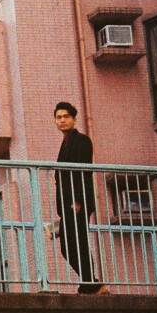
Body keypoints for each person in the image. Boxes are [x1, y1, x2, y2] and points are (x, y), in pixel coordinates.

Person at [53, 100, 102, 294]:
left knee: (77, 243)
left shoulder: (81, 141)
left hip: (77, 203)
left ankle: (90, 283)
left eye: (66, 116)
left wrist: (79, 201)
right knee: (68, 245)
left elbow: (83, 172)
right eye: (59, 117)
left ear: (74, 119)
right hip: (67, 205)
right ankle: (90, 282)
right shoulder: (64, 144)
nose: (62, 120)